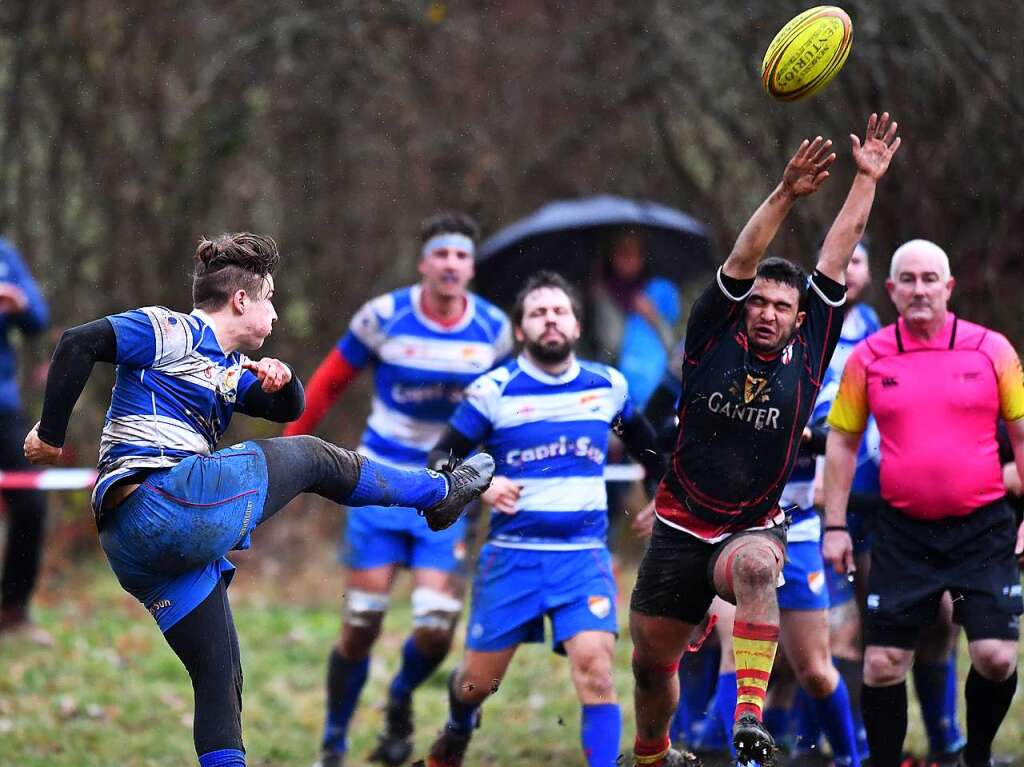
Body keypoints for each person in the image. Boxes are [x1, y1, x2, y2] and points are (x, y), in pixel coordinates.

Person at [22, 233, 495, 767]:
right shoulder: (171, 328)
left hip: (133, 544)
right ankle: (439, 492)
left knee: (219, 676)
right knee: (316, 457)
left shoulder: (225, 370)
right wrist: (52, 434)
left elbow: (284, 409)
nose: (275, 313)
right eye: (270, 298)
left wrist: (284, 382)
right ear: (242, 300)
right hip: (167, 499)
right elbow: (79, 341)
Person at [628, 112, 901, 767]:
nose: (769, 312)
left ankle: (749, 715)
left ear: (800, 317)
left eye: (782, 305)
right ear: (743, 306)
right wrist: (785, 193)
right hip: (678, 525)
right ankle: (650, 751)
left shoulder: (811, 350)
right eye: (759, 302)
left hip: (751, 526)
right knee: (648, 667)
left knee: (756, 568)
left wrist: (865, 180)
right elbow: (740, 259)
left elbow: (835, 258)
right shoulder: (710, 334)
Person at [281, 213, 511, 767]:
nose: (451, 265)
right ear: (423, 263)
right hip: (377, 483)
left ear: (471, 267)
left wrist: (502, 470)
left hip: (446, 490)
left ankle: (400, 698)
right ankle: (333, 741)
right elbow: (330, 382)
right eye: (441, 255)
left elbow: (511, 407)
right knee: (361, 621)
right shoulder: (383, 317)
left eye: (460, 256)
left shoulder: (494, 329)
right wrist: (290, 448)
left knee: (435, 629)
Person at [422, 271, 667, 767]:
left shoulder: (607, 388)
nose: (550, 320)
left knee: (597, 669)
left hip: (583, 559)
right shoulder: (494, 390)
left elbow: (650, 449)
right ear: (520, 331)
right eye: (538, 313)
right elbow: (439, 460)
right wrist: (481, 483)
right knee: (476, 684)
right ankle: (459, 725)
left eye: (560, 311)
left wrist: (663, 497)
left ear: (577, 326)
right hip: (512, 558)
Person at [822, 238, 1024, 767]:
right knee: (884, 662)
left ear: (949, 287)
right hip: (903, 532)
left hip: (983, 527)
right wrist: (836, 525)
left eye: (930, 279)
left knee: (996, 657)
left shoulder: (993, 350)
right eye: (907, 280)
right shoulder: (869, 357)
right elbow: (841, 441)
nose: (919, 289)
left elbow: (1022, 437)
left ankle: (974, 755)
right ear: (891, 290)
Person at [0, 237, 49, 640]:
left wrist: (21, 305)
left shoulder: (4, 255)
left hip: (3, 406)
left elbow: (38, 318)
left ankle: (14, 611)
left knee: (31, 502)